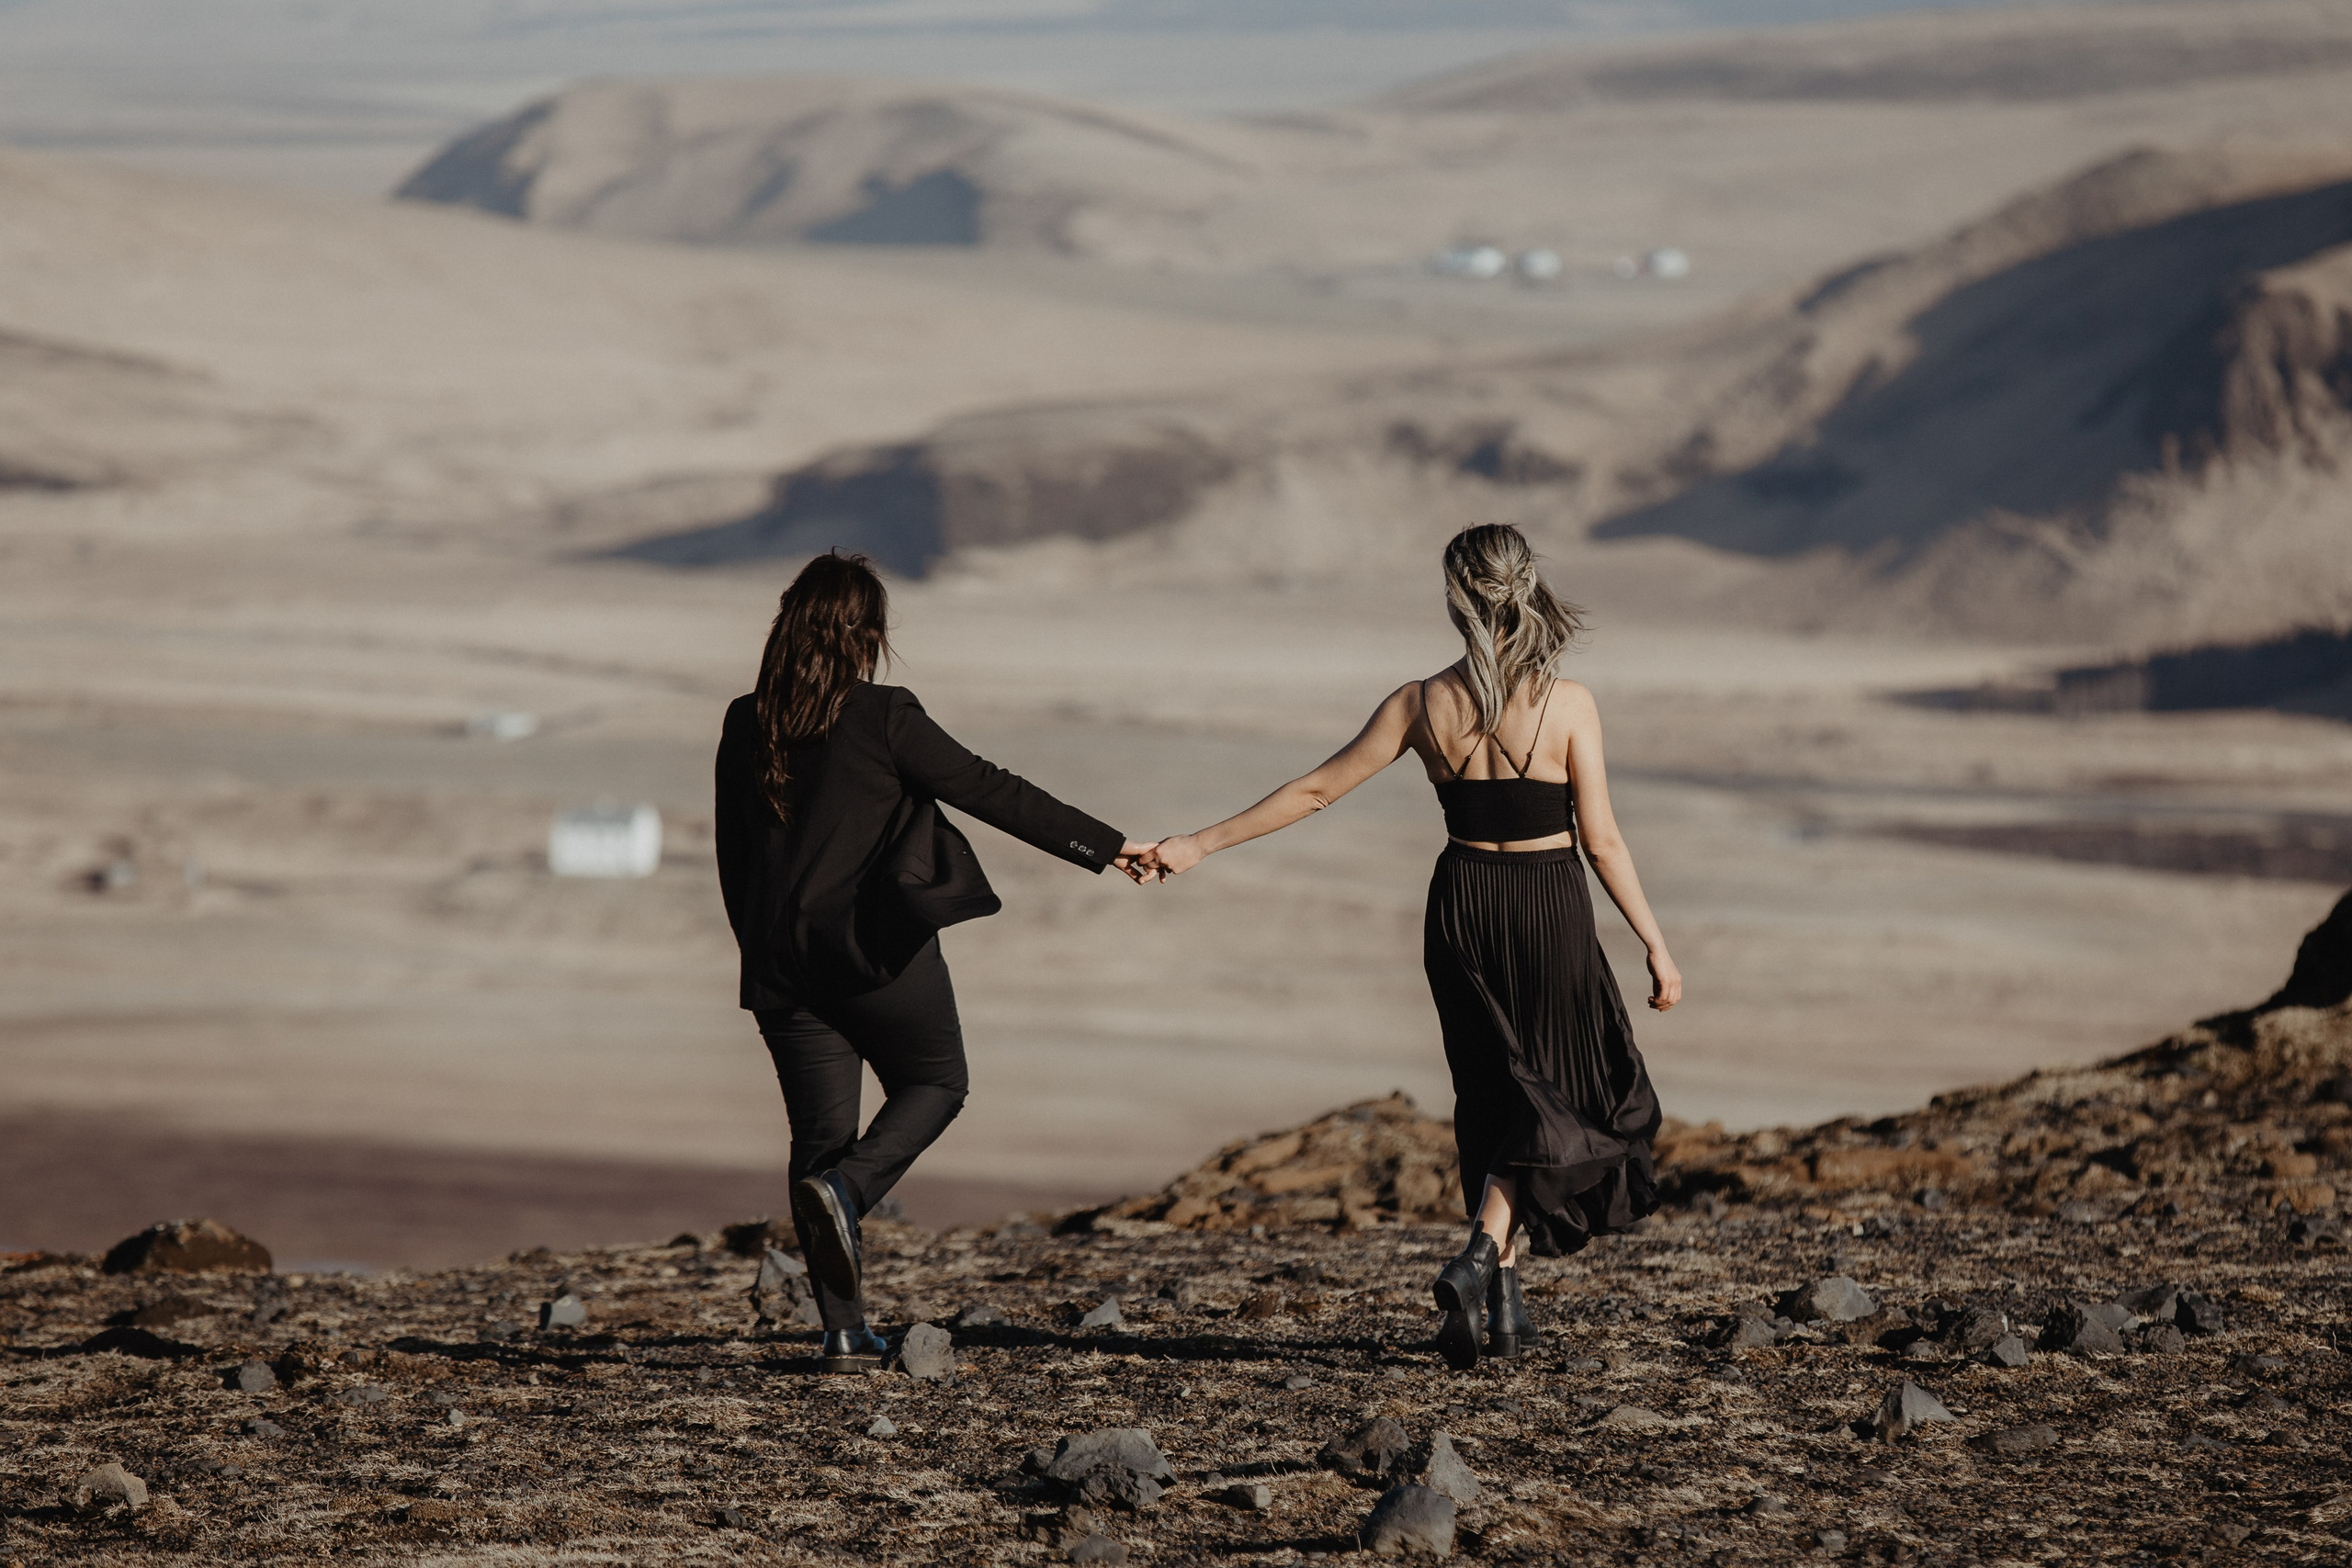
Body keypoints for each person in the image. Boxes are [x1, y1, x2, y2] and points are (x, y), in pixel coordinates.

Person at [1137, 523, 1681, 1371]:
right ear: (1526, 587)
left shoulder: (1421, 703)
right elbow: (1603, 842)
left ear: (1458, 598)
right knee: (1562, 1096)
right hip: (1548, 907)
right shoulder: (1570, 703)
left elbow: (1316, 790)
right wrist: (1656, 944)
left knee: (1495, 1094)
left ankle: (1504, 1307)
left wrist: (1198, 843)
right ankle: (1478, 1257)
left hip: (1462, 906)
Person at [715, 550, 1155, 1372]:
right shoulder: (883, 714)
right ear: (866, 634)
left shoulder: (748, 720)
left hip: (782, 969)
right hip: (874, 957)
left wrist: (764, 957)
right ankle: (849, 1194)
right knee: (936, 1083)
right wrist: (1108, 845)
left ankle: (843, 1331)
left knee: (819, 1141)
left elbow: (733, 859)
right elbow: (990, 787)